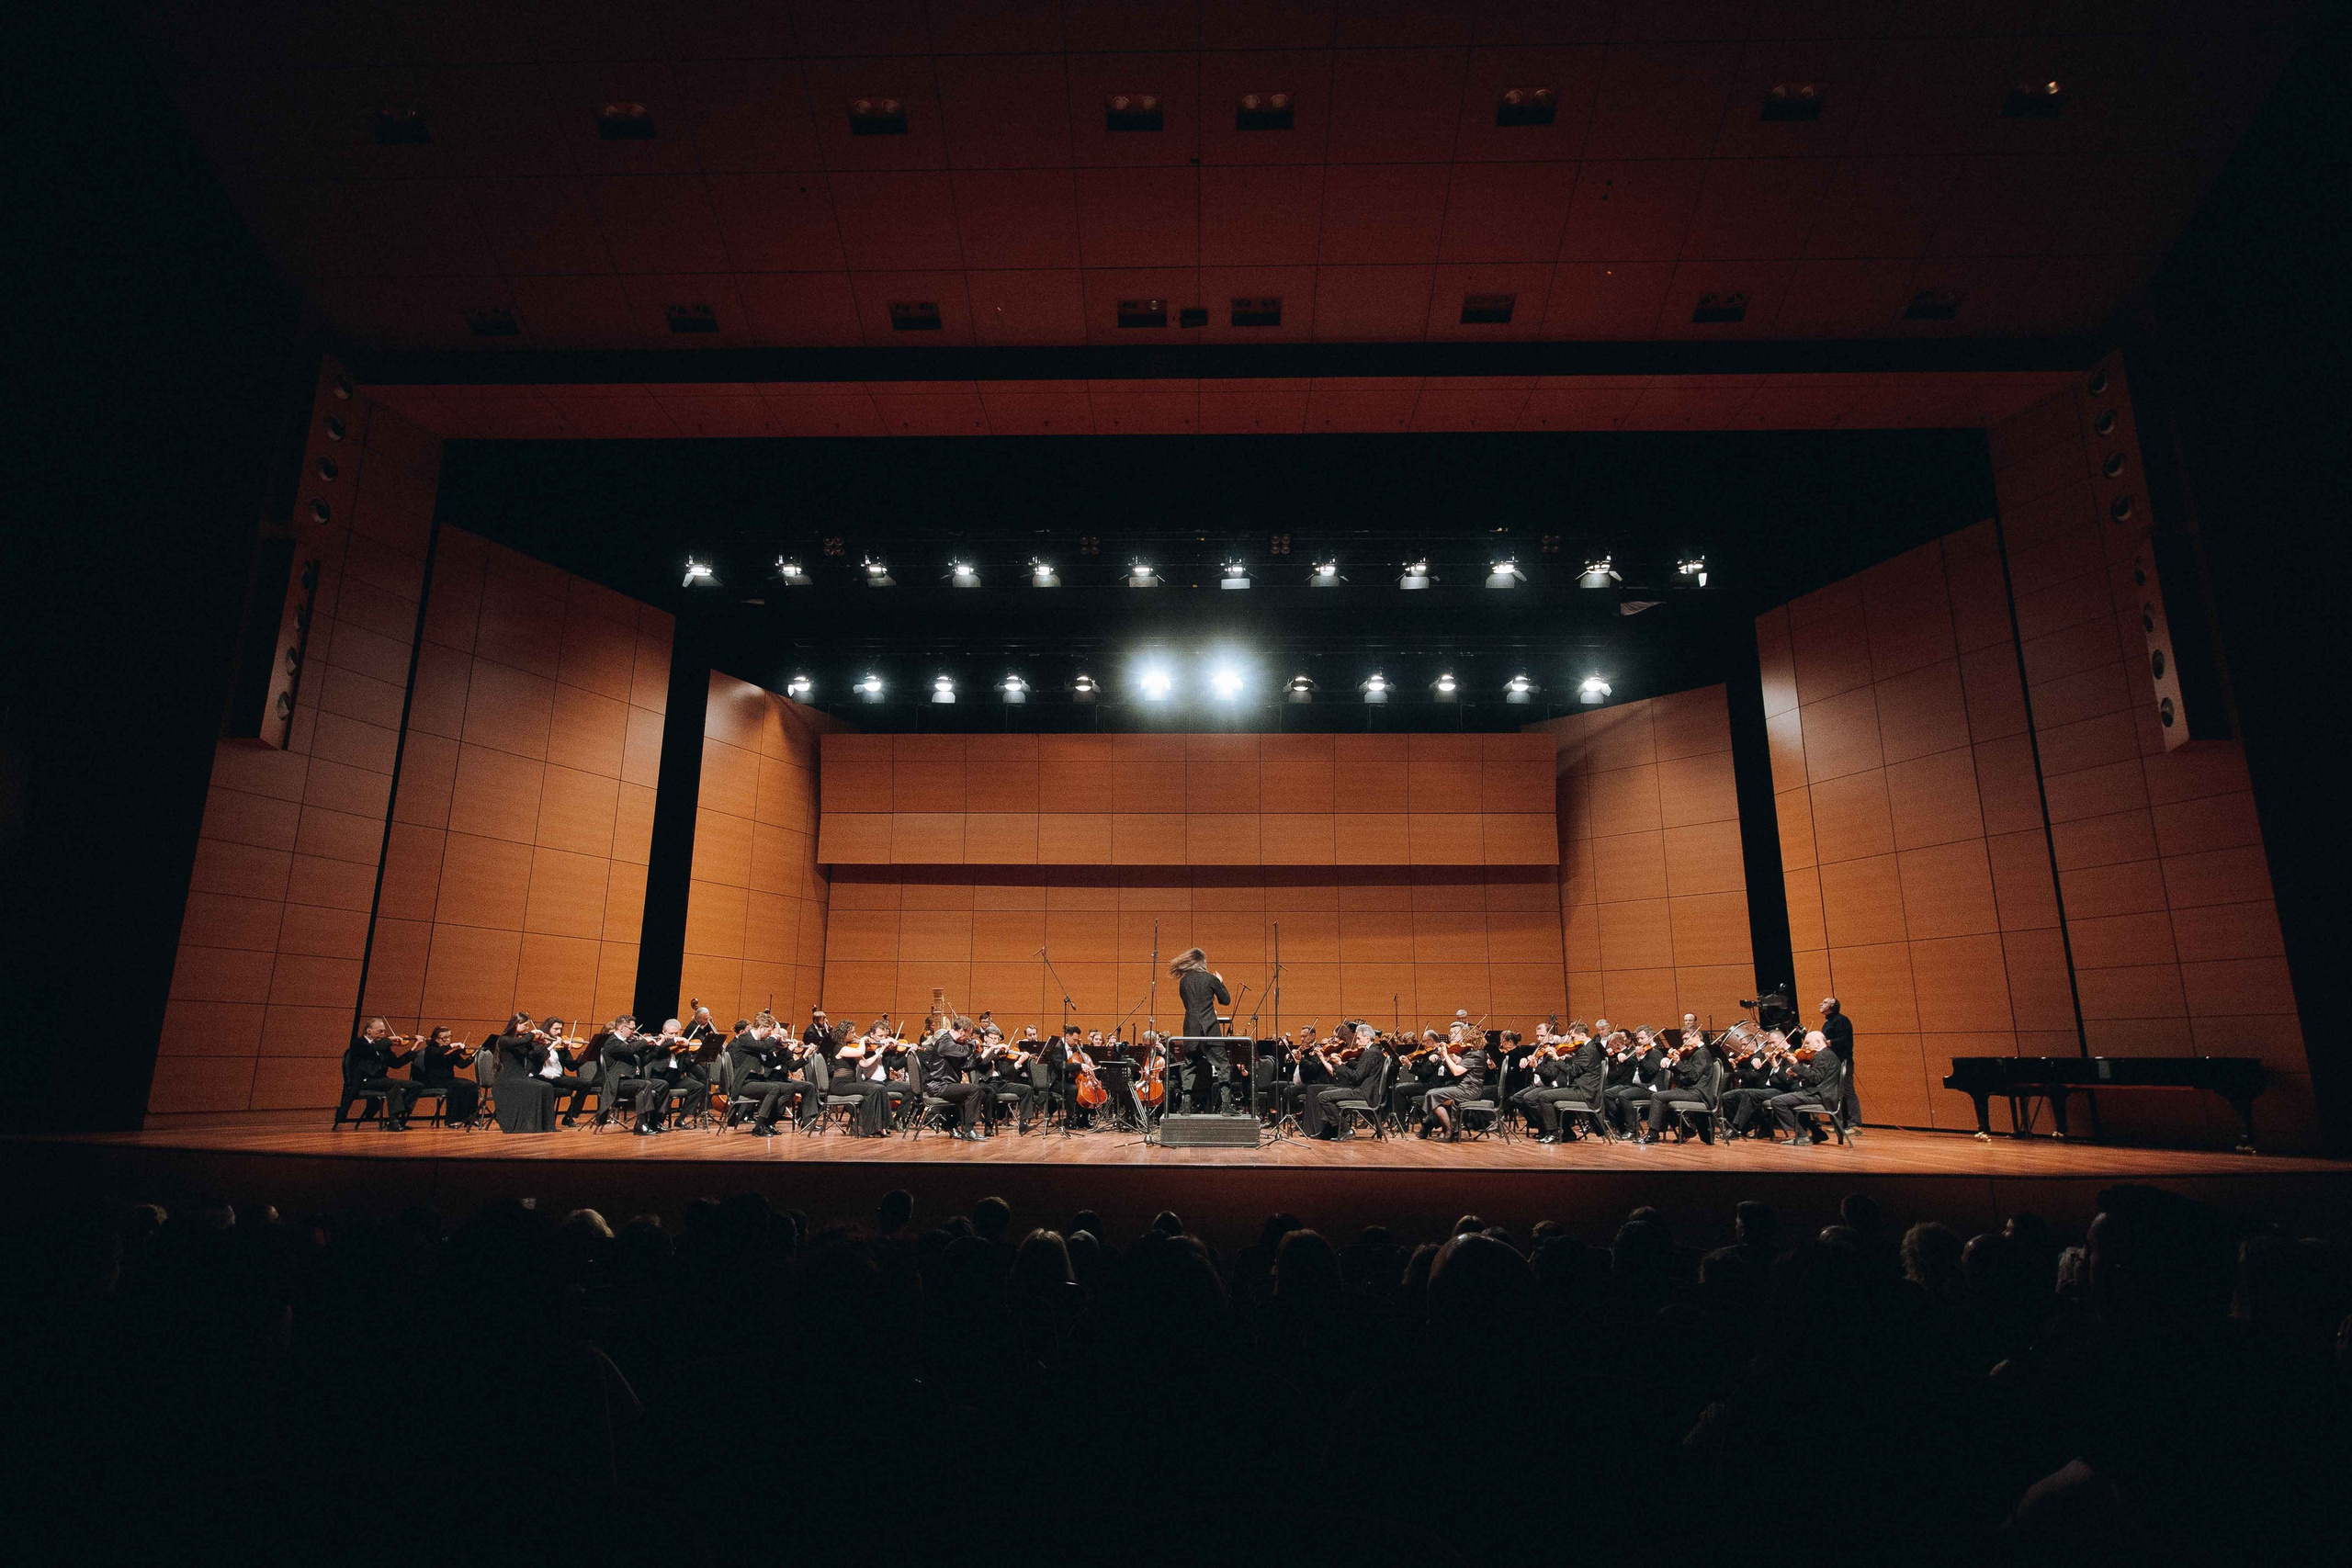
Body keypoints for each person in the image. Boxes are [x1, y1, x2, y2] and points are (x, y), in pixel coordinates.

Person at [1170, 948, 1232, 1112]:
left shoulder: (1184, 981)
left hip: (1191, 1028)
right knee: (1222, 1065)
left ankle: (1186, 1105)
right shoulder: (1210, 979)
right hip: (1209, 1027)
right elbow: (1225, 1001)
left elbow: (1188, 1004)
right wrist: (1220, 982)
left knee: (1189, 1066)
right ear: (1203, 962)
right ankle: (1226, 1106)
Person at [1304, 1024, 1386, 1139]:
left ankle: (1346, 1130)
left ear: (1367, 1038)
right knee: (1329, 1090)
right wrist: (1345, 1061)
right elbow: (1361, 1067)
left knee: (1323, 1097)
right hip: (1368, 1091)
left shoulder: (1370, 1053)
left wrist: (1340, 1064)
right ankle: (1329, 1130)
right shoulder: (1374, 1051)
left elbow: (1356, 1077)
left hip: (1364, 1093)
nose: (1356, 1042)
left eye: (1358, 1038)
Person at [343, 1018, 424, 1130]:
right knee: (393, 1083)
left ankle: (401, 1118)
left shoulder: (383, 1047)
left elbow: (397, 1064)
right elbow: (371, 1049)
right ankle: (393, 1120)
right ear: (368, 1031)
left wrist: (415, 1047)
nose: (383, 1034)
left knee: (417, 1085)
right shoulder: (359, 1043)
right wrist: (389, 1041)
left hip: (381, 1081)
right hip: (364, 1081)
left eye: (384, 1031)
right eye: (380, 1031)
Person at [922, 1016, 986, 1139]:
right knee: (974, 1089)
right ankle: (968, 1130)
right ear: (962, 1031)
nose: (968, 1037)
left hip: (948, 1084)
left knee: (981, 1093)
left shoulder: (955, 1044)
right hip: (938, 1085)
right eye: (969, 1034)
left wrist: (979, 1056)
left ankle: (949, 1124)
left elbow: (965, 1065)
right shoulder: (945, 1042)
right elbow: (964, 1051)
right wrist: (974, 1043)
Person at [1421, 1024, 1487, 1141]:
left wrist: (1446, 1055)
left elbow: (1457, 1071)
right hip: (1465, 1088)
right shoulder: (1475, 1052)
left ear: (1471, 1038)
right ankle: (1451, 1130)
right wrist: (1449, 1054)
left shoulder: (1475, 1055)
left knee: (1432, 1095)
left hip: (1470, 1090)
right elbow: (1459, 1061)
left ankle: (1449, 1131)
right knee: (1434, 1096)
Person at [410, 1025, 481, 1127]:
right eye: (443, 1038)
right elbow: (438, 1053)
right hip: (432, 1080)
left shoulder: (452, 1052)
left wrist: (474, 1056)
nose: (447, 1040)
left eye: (449, 1037)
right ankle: (451, 1120)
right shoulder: (431, 1049)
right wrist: (452, 1046)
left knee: (471, 1085)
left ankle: (471, 1117)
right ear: (435, 1039)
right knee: (454, 1087)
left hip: (448, 1079)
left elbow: (462, 1065)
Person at [1819, 997, 1858, 1133]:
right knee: (1836, 1093)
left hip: (1843, 1061)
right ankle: (1839, 1124)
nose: (1821, 1004)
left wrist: (1827, 1043)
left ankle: (1854, 1124)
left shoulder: (1842, 1020)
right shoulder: (1828, 1022)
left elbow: (1845, 1040)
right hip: (1833, 1063)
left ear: (1833, 1006)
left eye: (1824, 1002)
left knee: (1847, 1091)